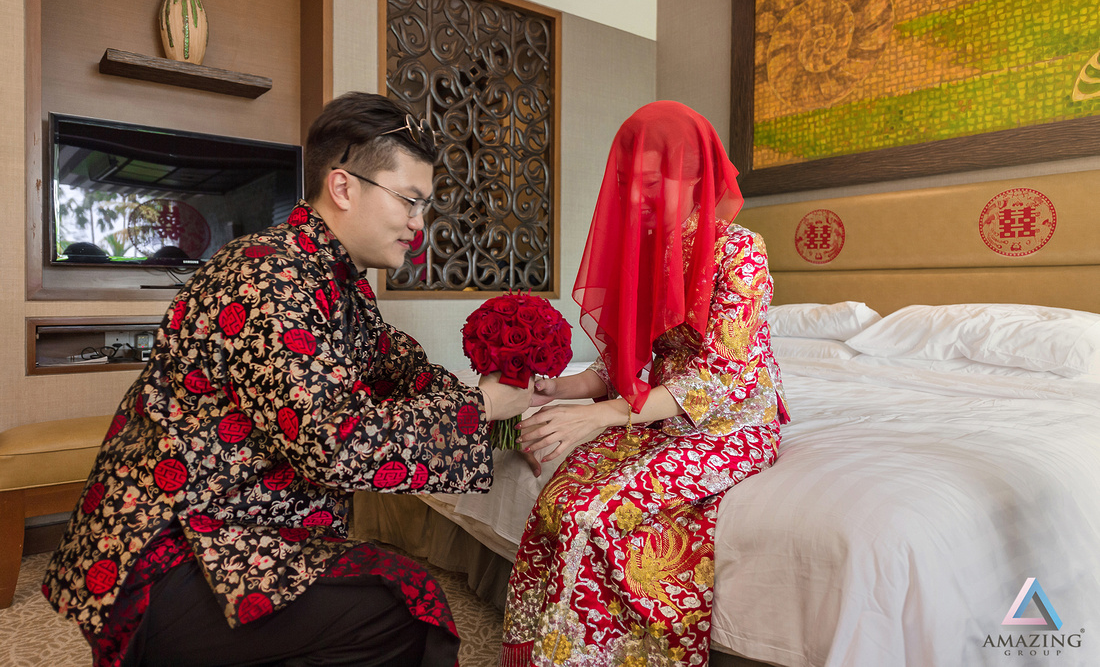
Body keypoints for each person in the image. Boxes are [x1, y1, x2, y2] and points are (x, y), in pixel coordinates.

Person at [43, 92, 532, 667]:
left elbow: (399, 366)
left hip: (237, 526)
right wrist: (479, 408)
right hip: (172, 546)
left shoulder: (336, 281)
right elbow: (333, 442)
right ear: (343, 186)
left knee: (390, 593)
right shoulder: (269, 274)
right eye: (410, 200)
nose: (418, 223)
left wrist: (505, 394)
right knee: (403, 604)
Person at [499, 101, 790, 666]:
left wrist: (604, 415)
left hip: (730, 424)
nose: (638, 198)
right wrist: (552, 390)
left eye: (653, 183)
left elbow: (721, 376)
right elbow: (622, 366)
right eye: (630, 184)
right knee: (561, 497)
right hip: (655, 411)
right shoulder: (647, 254)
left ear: (697, 176)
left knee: (598, 514)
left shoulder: (739, 252)